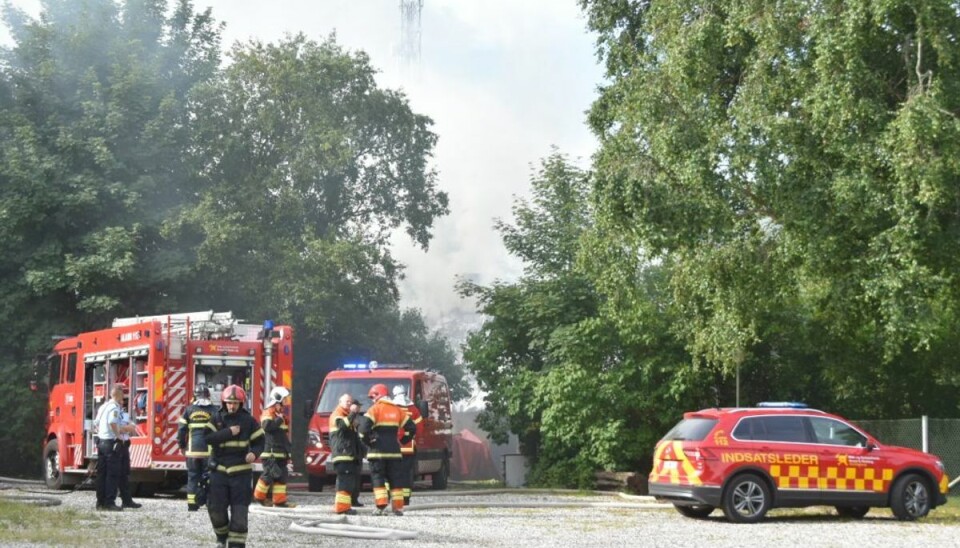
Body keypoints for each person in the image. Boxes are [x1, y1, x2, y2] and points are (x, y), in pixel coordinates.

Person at [205, 385, 264, 548]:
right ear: (224, 403)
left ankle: (236, 545)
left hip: (241, 473)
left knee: (239, 513)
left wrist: (254, 453)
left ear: (241, 403)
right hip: (219, 472)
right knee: (216, 510)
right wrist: (229, 432)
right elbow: (207, 438)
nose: (232, 406)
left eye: (236, 403)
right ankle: (222, 537)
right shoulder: (216, 418)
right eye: (229, 403)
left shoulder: (248, 421)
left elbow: (260, 441)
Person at [357, 383, 416, 516]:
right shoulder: (397, 410)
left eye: (373, 397)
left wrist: (368, 442)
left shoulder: (374, 410)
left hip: (377, 452)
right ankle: (398, 508)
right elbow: (412, 428)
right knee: (395, 480)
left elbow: (362, 430)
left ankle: (381, 506)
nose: (372, 400)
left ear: (378, 395)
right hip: (394, 453)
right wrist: (403, 441)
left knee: (378, 478)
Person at [94, 384, 136, 511]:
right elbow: (112, 422)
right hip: (111, 444)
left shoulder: (103, 406)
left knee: (102, 475)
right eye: (122, 396)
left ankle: (100, 503)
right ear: (118, 396)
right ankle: (109, 502)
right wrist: (118, 436)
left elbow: (96, 423)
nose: (123, 398)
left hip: (101, 443)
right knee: (112, 475)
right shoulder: (115, 408)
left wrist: (103, 433)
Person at [253, 386, 296, 508]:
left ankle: (280, 502)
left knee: (281, 476)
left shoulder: (279, 414)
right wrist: (279, 420)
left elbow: (282, 436)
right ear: (278, 399)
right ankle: (259, 497)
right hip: (270, 453)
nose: (286, 402)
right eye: (284, 399)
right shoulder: (269, 412)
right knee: (268, 475)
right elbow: (266, 426)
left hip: (280, 453)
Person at [178, 383, 218, 511]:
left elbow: (181, 431)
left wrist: (182, 446)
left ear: (195, 396)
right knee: (210, 477)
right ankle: (208, 501)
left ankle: (192, 504)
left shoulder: (189, 410)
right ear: (208, 396)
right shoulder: (214, 410)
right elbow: (220, 430)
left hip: (192, 452)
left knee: (193, 477)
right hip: (208, 452)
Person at [328, 393, 361, 515]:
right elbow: (342, 426)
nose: (349, 403)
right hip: (342, 454)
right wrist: (353, 413)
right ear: (340, 402)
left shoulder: (347, 416)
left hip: (348, 454)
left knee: (347, 481)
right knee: (345, 481)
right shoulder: (337, 414)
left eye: (350, 401)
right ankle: (342, 508)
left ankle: (343, 506)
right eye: (347, 401)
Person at [392, 385, 423, 505]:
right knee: (406, 474)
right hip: (409, 448)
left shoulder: (392, 408)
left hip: (394, 448)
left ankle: (395, 498)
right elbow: (419, 428)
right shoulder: (413, 409)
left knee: (394, 473)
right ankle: (405, 499)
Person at [116, 389, 142, 509]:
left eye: (124, 401)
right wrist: (126, 428)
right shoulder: (113, 410)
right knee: (114, 475)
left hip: (124, 444)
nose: (123, 403)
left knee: (124, 474)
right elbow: (117, 427)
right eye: (122, 400)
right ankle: (109, 501)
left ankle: (127, 500)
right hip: (117, 444)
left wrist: (126, 428)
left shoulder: (124, 413)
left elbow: (132, 426)